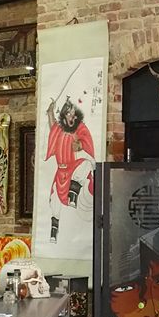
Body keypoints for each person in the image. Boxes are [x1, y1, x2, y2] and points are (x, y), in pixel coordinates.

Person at [44, 97, 95, 243]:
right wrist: (50, 112)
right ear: (64, 115)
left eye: (73, 114)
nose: (72, 117)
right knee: (54, 201)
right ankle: (53, 233)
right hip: (61, 171)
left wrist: (80, 144)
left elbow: (86, 140)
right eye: (69, 114)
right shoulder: (59, 129)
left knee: (86, 164)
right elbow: (53, 127)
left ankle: (73, 195)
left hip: (73, 167)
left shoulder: (79, 128)